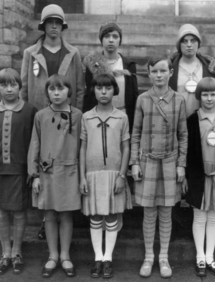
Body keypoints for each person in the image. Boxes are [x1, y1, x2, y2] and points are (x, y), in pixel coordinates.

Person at [130, 55, 188, 278]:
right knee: (149, 212)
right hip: (148, 162)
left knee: (166, 212)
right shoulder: (143, 99)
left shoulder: (179, 100)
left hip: (170, 163)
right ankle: (148, 257)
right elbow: (135, 133)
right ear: (149, 73)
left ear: (171, 73)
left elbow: (183, 135)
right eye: (154, 71)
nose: (159, 75)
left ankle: (163, 257)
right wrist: (134, 162)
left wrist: (181, 164)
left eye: (163, 71)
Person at [0, 68, 37, 275]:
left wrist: (34, 170)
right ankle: (5, 253)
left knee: (20, 211)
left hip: (20, 171)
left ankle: (17, 252)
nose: (9, 89)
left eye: (13, 84)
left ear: (20, 87)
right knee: (2, 211)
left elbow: (35, 143)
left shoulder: (30, 110)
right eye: (4, 85)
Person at [28, 74, 82, 278]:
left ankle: (65, 256)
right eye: (52, 89)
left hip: (71, 171)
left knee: (66, 214)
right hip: (47, 172)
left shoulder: (78, 115)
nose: (56, 93)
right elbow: (35, 144)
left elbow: (82, 147)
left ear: (69, 91)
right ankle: (52, 255)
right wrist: (34, 175)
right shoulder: (41, 115)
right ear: (47, 93)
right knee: (49, 214)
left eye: (60, 89)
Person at [80, 74, 133, 279]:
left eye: (108, 88)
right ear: (93, 90)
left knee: (111, 215)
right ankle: (98, 257)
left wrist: (122, 175)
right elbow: (82, 146)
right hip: (93, 174)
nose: (103, 92)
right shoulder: (86, 117)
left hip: (114, 173)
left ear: (114, 90)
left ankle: (108, 258)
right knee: (95, 215)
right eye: (99, 88)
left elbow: (126, 147)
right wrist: (83, 176)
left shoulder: (122, 117)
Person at [184, 77, 215, 277]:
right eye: (205, 94)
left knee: (214, 217)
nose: (209, 98)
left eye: (213, 94)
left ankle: (210, 257)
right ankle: (200, 257)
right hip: (199, 174)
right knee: (199, 216)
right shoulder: (192, 120)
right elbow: (186, 151)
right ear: (199, 96)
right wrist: (186, 176)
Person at [20, 4, 85, 111]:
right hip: (38, 113)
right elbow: (23, 89)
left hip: (67, 114)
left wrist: (76, 115)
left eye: (58, 22)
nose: (54, 26)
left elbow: (80, 89)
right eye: (50, 22)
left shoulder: (73, 53)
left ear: (62, 26)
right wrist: (26, 115)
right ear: (44, 25)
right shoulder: (30, 53)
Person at [82, 21, 139, 132]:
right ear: (101, 40)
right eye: (107, 36)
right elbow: (89, 95)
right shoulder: (94, 63)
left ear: (120, 40)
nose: (111, 40)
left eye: (115, 36)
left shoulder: (128, 65)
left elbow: (133, 96)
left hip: (123, 116)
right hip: (99, 117)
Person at [168, 24, 215, 117]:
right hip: (176, 121)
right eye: (185, 41)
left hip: (202, 121)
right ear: (179, 45)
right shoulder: (169, 69)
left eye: (193, 41)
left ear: (198, 43)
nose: (189, 45)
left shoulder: (210, 68)